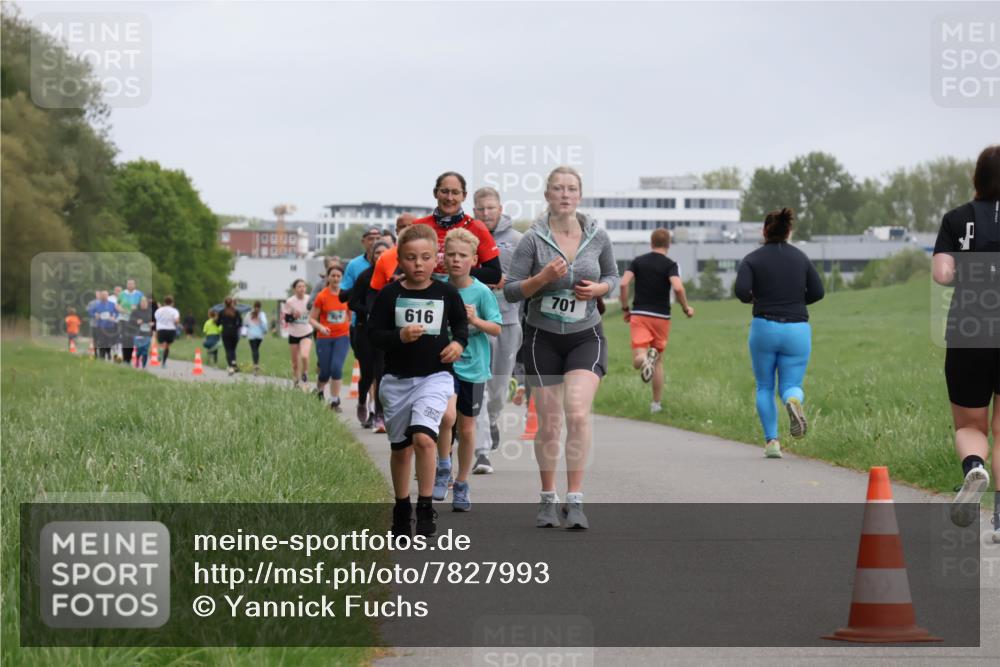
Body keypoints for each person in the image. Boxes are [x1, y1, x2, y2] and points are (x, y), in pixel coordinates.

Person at [504, 166, 619, 530]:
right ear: (548, 196)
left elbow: (612, 277)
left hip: (586, 335)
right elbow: (509, 290)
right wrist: (542, 279)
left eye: (571, 189)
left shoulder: (597, 236)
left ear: (579, 196)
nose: (565, 194)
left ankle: (576, 498)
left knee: (578, 413)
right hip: (543, 337)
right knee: (551, 423)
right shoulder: (532, 240)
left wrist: (599, 290)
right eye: (558, 189)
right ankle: (548, 497)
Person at [369, 223, 469, 538]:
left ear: (435, 258)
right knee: (401, 450)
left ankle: (425, 506)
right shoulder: (390, 295)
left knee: (425, 438)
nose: (419, 264)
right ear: (399, 259)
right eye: (411, 258)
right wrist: (399, 335)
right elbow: (374, 335)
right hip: (397, 381)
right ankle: (402, 509)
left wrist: (458, 344)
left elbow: (460, 325)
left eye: (425, 257)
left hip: (435, 377)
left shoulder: (445, 292)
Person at [931, 144, 1000, 538]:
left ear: (978, 178)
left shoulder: (957, 219)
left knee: (971, 425)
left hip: (970, 328)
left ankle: (974, 466)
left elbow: (942, 274)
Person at [734, 208, 824, 459]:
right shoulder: (801, 258)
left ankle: (772, 442)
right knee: (791, 385)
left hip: (764, 326)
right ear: (789, 232)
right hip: (797, 329)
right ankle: (793, 401)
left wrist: (756, 298)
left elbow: (741, 291)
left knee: (764, 386)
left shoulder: (752, 259)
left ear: (764, 231)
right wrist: (796, 300)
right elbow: (817, 292)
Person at [432, 228, 502, 510]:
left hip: (473, 366)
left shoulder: (482, 292)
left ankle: (462, 482)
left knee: (467, 426)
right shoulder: (437, 288)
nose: (456, 260)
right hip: (444, 364)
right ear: (443, 258)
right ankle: (443, 467)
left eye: (462, 255)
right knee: (446, 418)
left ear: (474, 259)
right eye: (451, 255)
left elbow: (496, 328)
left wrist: (475, 320)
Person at [472, 187, 524, 474]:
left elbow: (528, 281)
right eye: (480, 209)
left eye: (490, 208)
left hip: (508, 319)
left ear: (500, 208)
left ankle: (492, 421)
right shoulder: (469, 238)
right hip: (476, 323)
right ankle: (481, 452)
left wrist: (509, 284)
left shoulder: (518, 240)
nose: (486, 213)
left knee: (499, 389)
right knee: (478, 383)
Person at [619, 229, 694, 413]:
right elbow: (677, 287)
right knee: (659, 361)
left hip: (640, 314)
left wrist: (625, 308)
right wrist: (686, 308)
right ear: (668, 244)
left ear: (651, 243)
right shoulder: (671, 264)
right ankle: (656, 405)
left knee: (638, 356)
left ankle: (644, 359)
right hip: (661, 317)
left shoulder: (638, 262)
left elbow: (623, 283)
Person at [414, 171, 501, 284]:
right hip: (425, 297)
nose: (450, 198)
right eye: (445, 191)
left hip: (462, 298)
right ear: (435, 193)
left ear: (464, 196)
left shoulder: (477, 227)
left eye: (455, 192)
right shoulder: (418, 226)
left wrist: (457, 270)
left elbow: (494, 275)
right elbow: (401, 266)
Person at [348, 241, 392, 430]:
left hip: (383, 332)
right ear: (372, 256)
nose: (380, 256)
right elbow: (352, 303)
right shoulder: (365, 277)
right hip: (364, 330)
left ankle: (380, 415)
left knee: (381, 373)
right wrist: (368, 310)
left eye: (384, 252)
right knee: (367, 374)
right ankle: (361, 400)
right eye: (377, 253)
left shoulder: (391, 278)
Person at [310, 264, 352, 411]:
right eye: (332, 275)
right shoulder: (322, 296)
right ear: (328, 277)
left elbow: (349, 316)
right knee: (325, 371)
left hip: (342, 337)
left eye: (338, 276)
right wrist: (321, 327)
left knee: (336, 368)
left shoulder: (346, 295)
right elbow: (312, 319)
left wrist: (349, 327)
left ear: (342, 278)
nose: (335, 278)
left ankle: (334, 401)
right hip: (324, 338)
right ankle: (319, 390)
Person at [370, 213, 416, 292]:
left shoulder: (428, 255)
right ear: (397, 231)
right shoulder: (384, 257)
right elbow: (377, 291)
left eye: (411, 226)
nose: (407, 230)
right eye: (403, 227)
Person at [283, 279, 314, 388]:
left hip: (307, 331)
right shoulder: (290, 302)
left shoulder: (310, 299)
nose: (302, 288)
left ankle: (305, 373)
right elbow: (286, 318)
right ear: (294, 289)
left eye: (303, 286)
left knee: (304, 356)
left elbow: (314, 313)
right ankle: (296, 383)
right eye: (299, 286)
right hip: (294, 333)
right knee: (295, 364)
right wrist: (293, 317)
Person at [217, 297, 243, 375]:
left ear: (224, 303)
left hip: (225, 332)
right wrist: (236, 327)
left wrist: (222, 322)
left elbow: (218, 323)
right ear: (232, 303)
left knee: (228, 350)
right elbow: (240, 323)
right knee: (233, 349)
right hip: (234, 332)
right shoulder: (236, 311)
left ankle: (231, 367)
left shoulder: (221, 312)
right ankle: (233, 362)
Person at [153, 296, 181, 367]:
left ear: (164, 302)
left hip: (161, 329)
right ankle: (164, 363)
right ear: (172, 303)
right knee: (167, 346)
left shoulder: (159, 310)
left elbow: (155, 318)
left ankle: (161, 350)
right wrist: (176, 323)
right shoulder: (174, 311)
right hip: (171, 330)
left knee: (161, 344)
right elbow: (177, 321)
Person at [90, 290, 118, 361]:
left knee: (109, 342)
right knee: (102, 342)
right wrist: (95, 315)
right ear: (101, 296)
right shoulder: (97, 304)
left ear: (108, 296)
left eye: (105, 295)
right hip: (100, 326)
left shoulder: (112, 304)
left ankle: (108, 354)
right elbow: (91, 312)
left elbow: (116, 312)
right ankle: (101, 357)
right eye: (103, 295)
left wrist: (114, 317)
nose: (104, 296)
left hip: (110, 326)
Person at [244, 301, 268, 376]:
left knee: (254, 350)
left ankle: (255, 366)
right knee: (256, 349)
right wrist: (265, 331)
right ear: (260, 307)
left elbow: (245, 324)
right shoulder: (262, 314)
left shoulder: (249, 314)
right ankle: (256, 365)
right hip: (259, 336)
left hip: (251, 335)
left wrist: (244, 333)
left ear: (253, 306)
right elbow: (264, 324)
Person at [130, 297, 153, 368]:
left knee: (145, 350)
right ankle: (137, 361)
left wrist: (152, 323)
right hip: (138, 334)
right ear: (140, 303)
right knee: (139, 349)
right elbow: (130, 321)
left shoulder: (150, 312)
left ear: (147, 303)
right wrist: (136, 321)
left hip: (147, 334)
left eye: (144, 302)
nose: (143, 304)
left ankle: (144, 365)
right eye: (142, 302)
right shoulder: (135, 311)